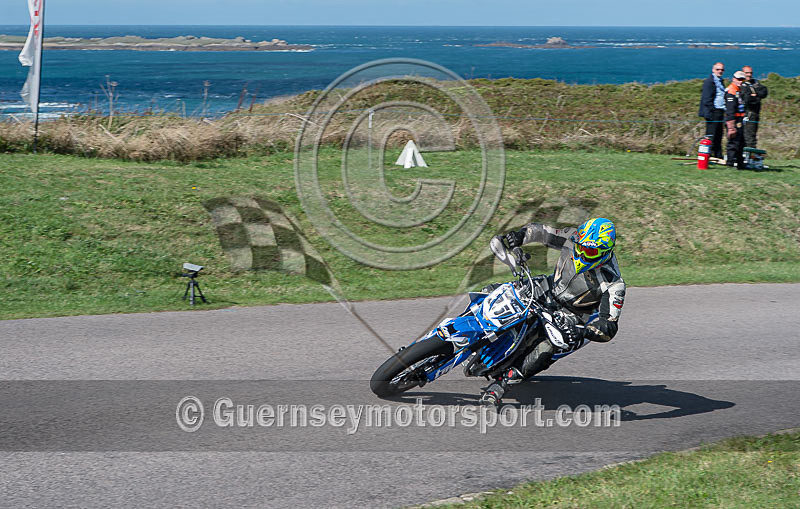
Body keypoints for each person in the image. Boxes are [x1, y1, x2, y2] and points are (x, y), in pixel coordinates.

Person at [480, 218, 626, 406]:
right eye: (580, 247)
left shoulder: (614, 283)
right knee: (491, 290)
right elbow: (541, 232)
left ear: (604, 252)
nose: (581, 253)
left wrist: (582, 331)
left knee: (548, 347)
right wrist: (519, 236)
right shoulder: (573, 237)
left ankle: (500, 386)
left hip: (572, 315)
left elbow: (609, 326)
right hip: (547, 288)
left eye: (589, 251)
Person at [699, 62, 727, 159]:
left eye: (722, 70)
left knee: (719, 135)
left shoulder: (720, 81)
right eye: (718, 69)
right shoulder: (709, 82)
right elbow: (706, 99)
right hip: (713, 112)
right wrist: (712, 110)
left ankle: (718, 155)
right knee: (711, 135)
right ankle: (708, 155)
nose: (720, 71)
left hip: (720, 111)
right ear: (713, 70)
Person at [740, 66, 768, 148]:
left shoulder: (755, 83)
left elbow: (764, 91)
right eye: (747, 73)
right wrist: (755, 96)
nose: (749, 75)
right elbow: (747, 99)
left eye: (750, 73)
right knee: (748, 137)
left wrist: (756, 95)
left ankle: (750, 156)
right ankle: (748, 156)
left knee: (752, 135)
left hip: (755, 113)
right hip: (747, 113)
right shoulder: (742, 84)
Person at [725, 70, 748, 169]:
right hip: (734, 120)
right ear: (734, 79)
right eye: (738, 79)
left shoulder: (740, 90)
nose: (740, 81)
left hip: (740, 119)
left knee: (741, 142)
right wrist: (731, 127)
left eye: (742, 79)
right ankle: (730, 162)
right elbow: (730, 110)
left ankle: (740, 162)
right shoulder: (731, 91)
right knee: (733, 142)